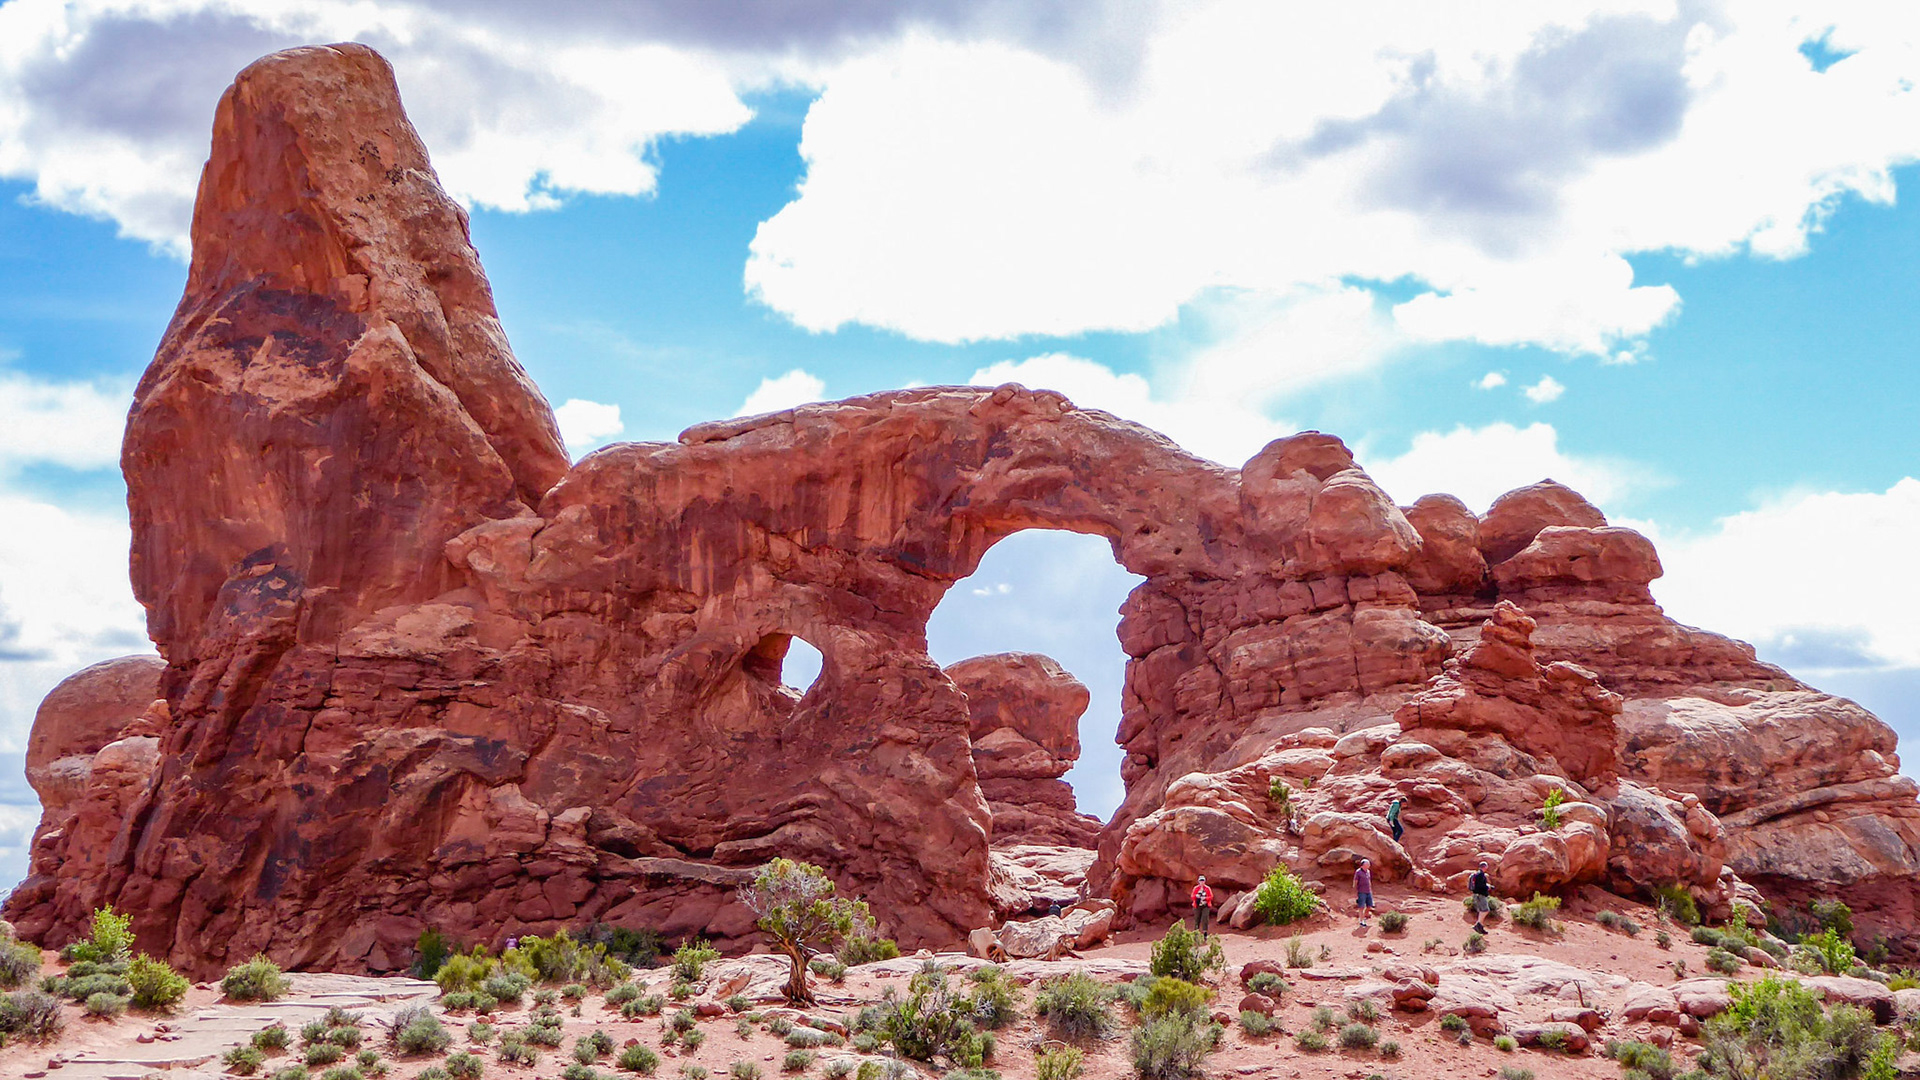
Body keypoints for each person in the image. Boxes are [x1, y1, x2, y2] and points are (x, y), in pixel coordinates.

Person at [1469, 860, 1493, 932]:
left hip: (1477, 894)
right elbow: (1480, 886)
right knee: (1485, 910)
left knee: (1482, 911)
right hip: (1481, 895)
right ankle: (1478, 925)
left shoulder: (1477, 874)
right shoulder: (1481, 875)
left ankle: (1480, 927)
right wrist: (1488, 887)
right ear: (1485, 867)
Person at [1353, 858, 1374, 928]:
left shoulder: (1368, 871)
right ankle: (1361, 920)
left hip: (1368, 891)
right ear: (1363, 865)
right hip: (1361, 891)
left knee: (1369, 906)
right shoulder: (1358, 872)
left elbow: (1369, 881)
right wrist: (1355, 890)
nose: (1369, 865)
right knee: (1361, 906)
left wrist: (1370, 889)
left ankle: (1364, 917)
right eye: (1367, 864)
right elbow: (1355, 881)